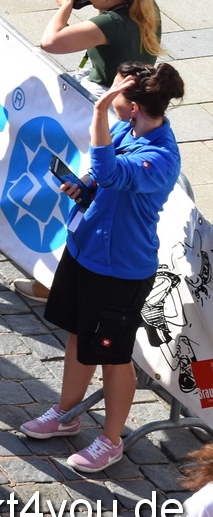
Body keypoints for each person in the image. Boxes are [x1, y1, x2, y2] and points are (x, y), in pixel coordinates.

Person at [22, 63, 185, 475]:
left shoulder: (161, 156)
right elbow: (101, 176)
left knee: (115, 357)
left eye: (115, 97)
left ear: (132, 107)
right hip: (85, 251)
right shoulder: (127, 130)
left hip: (122, 270)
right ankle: (68, 412)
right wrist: (85, 186)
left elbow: (113, 172)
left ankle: (111, 441)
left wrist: (97, 112)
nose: (108, 102)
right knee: (79, 333)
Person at [39, 0, 161, 89]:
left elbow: (48, 43)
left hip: (107, 90)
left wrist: (66, 4)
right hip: (135, 87)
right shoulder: (145, 4)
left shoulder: (111, 23)